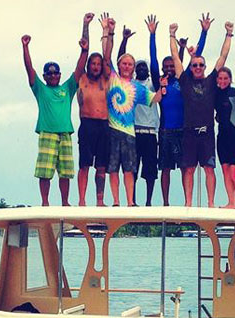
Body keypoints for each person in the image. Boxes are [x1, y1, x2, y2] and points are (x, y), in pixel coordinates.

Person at [21, 26, 88, 207]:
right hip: (47, 133)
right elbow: (29, 69)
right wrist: (25, 47)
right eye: (49, 73)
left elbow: (79, 69)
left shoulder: (67, 88)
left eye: (55, 73)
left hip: (65, 133)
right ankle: (45, 202)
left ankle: (65, 202)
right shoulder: (40, 89)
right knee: (45, 171)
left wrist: (84, 50)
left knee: (65, 172)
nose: (52, 76)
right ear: (45, 76)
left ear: (60, 74)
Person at [170, 20, 233, 207]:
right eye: (195, 65)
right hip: (189, 132)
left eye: (201, 65)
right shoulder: (185, 82)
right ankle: (188, 203)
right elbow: (175, 57)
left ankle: (211, 203)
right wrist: (172, 35)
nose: (198, 67)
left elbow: (223, 56)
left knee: (209, 169)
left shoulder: (212, 81)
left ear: (205, 67)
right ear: (191, 67)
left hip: (207, 133)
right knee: (188, 169)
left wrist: (228, 34)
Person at [101, 15, 163, 207]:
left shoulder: (138, 88)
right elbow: (106, 56)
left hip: (130, 133)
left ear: (133, 68)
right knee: (113, 168)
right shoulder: (113, 78)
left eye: (130, 64)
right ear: (119, 66)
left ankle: (130, 201)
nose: (127, 66)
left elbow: (155, 99)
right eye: (124, 63)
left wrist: (164, 85)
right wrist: (108, 32)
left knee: (129, 169)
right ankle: (117, 201)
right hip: (112, 130)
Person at [147, 14, 209, 206]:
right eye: (165, 66)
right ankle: (165, 203)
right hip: (166, 131)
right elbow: (153, 59)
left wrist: (204, 32)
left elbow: (196, 57)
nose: (168, 68)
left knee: (185, 167)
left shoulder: (184, 80)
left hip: (184, 130)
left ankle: (186, 202)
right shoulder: (160, 82)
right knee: (165, 169)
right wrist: (153, 35)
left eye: (171, 65)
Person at [118, 26, 159, 206]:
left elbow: (156, 64)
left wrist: (152, 36)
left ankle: (149, 202)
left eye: (144, 66)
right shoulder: (130, 84)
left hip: (150, 133)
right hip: (134, 132)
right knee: (132, 169)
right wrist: (124, 40)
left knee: (150, 171)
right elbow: (119, 62)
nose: (141, 69)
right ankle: (131, 200)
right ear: (135, 70)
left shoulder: (152, 85)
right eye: (138, 66)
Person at [76, 13, 109, 207]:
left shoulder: (105, 80)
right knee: (85, 165)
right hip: (87, 124)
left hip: (103, 125)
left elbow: (107, 57)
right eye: (93, 64)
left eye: (98, 64)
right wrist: (85, 25)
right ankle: (81, 200)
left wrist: (106, 31)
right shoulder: (82, 79)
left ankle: (100, 200)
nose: (96, 66)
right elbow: (83, 51)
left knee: (102, 166)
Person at [214, 67, 235, 208]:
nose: (223, 81)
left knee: (234, 171)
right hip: (222, 136)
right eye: (220, 78)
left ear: (230, 79)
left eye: (226, 78)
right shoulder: (215, 94)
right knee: (225, 169)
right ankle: (231, 202)